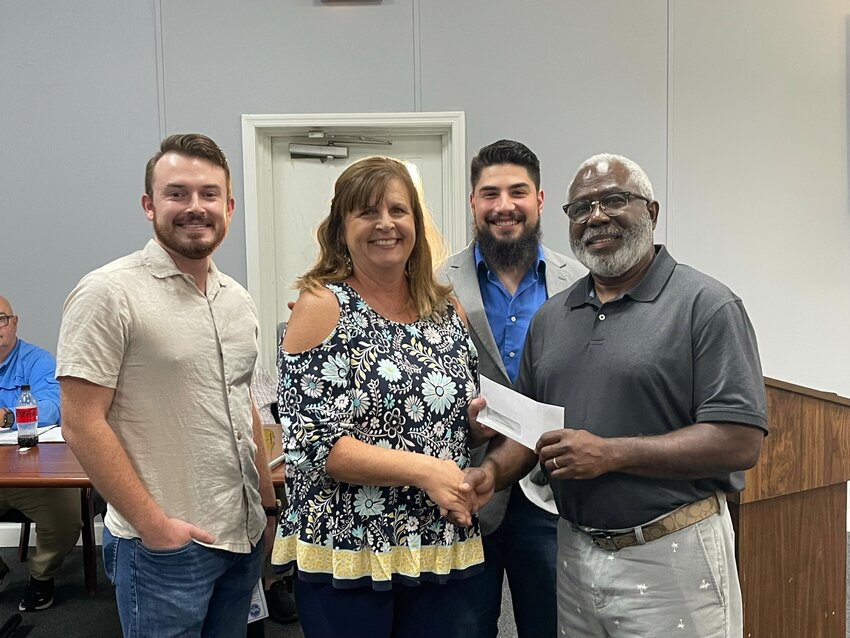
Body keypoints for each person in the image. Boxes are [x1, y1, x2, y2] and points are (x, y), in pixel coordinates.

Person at [467, 153, 768, 638]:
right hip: (575, 555)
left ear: (650, 212)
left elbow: (739, 442)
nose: (597, 216)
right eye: (581, 208)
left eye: (614, 200)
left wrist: (610, 454)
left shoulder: (706, 306)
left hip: (673, 553)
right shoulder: (553, 317)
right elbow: (529, 432)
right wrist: (491, 474)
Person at [56, 133, 277, 637]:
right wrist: (155, 528)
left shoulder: (236, 300)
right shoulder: (108, 293)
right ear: (148, 204)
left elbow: (243, 405)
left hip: (240, 536)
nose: (195, 207)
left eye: (209, 194)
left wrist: (265, 505)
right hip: (164, 547)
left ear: (229, 206)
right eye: (177, 193)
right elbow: (81, 423)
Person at [271, 156, 483, 638]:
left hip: (439, 535)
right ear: (341, 228)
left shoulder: (446, 309)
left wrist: (480, 425)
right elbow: (314, 448)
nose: (385, 223)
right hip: (351, 549)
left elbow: (456, 420)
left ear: (416, 223)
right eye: (367, 212)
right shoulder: (322, 306)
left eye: (398, 210)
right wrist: (428, 471)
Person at [441, 140, 584, 637]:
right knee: (464, 626)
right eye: (490, 193)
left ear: (539, 200)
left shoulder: (580, 281)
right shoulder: (434, 283)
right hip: (465, 488)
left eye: (517, 192)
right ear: (474, 203)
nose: (504, 206)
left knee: (550, 624)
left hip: (551, 486)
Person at [0, 296, 81, 612]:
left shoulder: (37, 361)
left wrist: (7, 416)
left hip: (31, 471)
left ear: (14, 322)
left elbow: (53, 408)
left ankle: (40, 576)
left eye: (1, 319)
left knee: (65, 512)